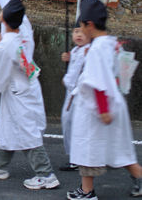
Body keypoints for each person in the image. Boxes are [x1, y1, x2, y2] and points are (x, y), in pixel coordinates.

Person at [0, 0, 60, 190]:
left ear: (3, 19)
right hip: (26, 85)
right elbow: (7, 2)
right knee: (7, 126)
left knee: (25, 131)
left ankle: (45, 173)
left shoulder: (5, 44)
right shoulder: (25, 27)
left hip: (18, 91)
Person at [66, 0, 142, 200]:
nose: (81, 31)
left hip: (98, 108)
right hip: (114, 102)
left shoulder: (97, 49)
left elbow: (96, 81)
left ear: (89, 25)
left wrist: (102, 109)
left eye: (82, 26)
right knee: (117, 148)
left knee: (88, 147)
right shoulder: (111, 43)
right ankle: (139, 177)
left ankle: (87, 191)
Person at [59, 20, 90, 172]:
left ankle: (78, 157)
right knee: (68, 122)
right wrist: (69, 57)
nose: (79, 35)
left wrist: (67, 81)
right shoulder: (77, 50)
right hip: (71, 94)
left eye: (83, 32)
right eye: (76, 31)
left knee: (74, 123)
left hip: (80, 95)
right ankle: (75, 156)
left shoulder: (89, 51)